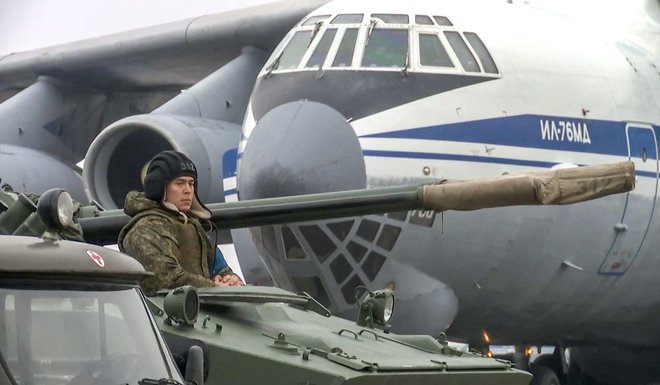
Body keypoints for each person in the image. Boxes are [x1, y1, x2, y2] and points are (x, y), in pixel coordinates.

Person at [118, 150, 243, 294]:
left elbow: (220, 268)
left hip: (201, 307)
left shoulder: (193, 226)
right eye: (180, 183)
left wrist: (231, 280)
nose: (188, 190)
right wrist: (214, 288)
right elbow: (165, 278)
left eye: (191, 183)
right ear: (159, 188)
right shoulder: (144, 229)